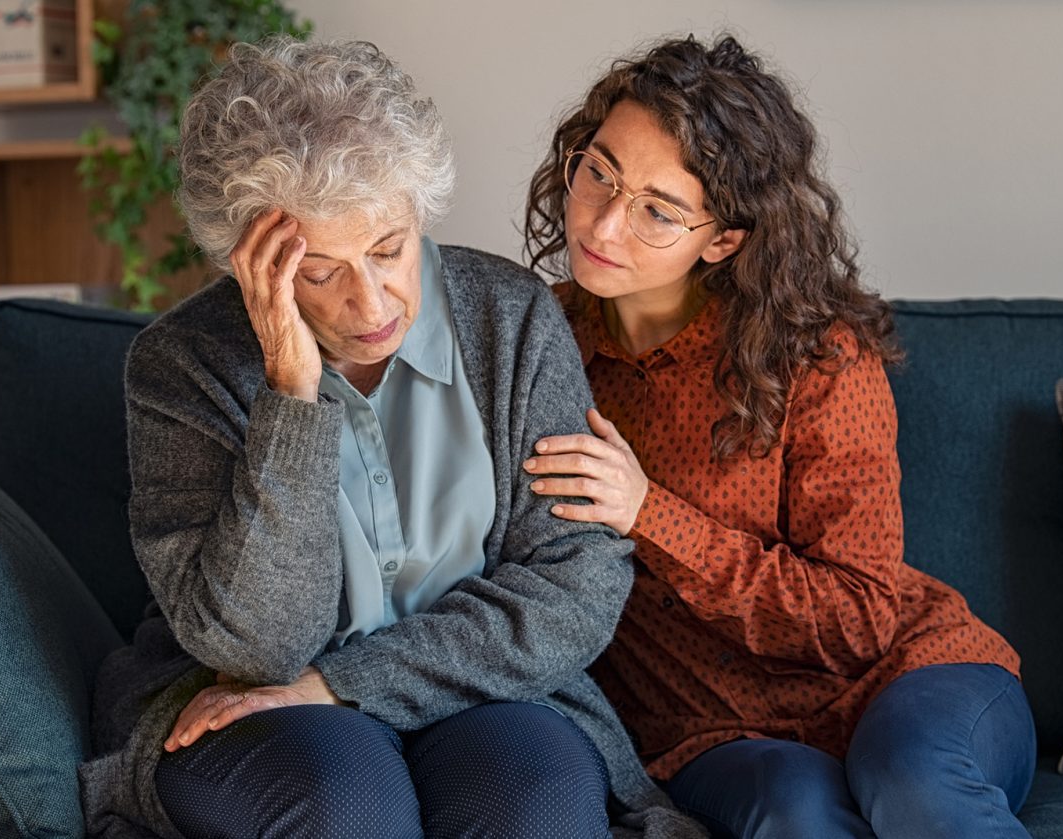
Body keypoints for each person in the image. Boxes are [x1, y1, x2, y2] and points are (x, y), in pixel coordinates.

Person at [78, 36, 706, 839]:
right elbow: (258, 647)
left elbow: (571, 589)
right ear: (250, 263)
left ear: (418, 212)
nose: (371, 304)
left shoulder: (508, 320)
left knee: (534, 806)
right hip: (243, 701)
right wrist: (291, 396)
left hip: (490, 689)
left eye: (387, 249)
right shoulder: (182, 366)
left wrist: (342, 683)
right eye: (318, 271)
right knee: (350, 807)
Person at [523, 34, 1037, 839]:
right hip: (709, 731)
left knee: (915, 787)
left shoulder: (816, 356)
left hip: (909, 678)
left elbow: (862, 616)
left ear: (722, 239)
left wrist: (648, 511)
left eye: (658, 209)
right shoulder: (534, 343)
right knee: (797, 813)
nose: (607, 222)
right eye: (599, 172)